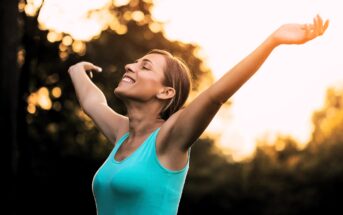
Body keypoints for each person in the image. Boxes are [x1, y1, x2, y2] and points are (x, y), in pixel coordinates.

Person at [68, 15, 329, 215]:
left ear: (166, 92)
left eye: (144, 66)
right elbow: (92, 103)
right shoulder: (122, 133)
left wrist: (273, 41)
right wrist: (77, 70)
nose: (130, 65)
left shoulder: (169, 137)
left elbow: (216, 95)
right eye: (135, 62)